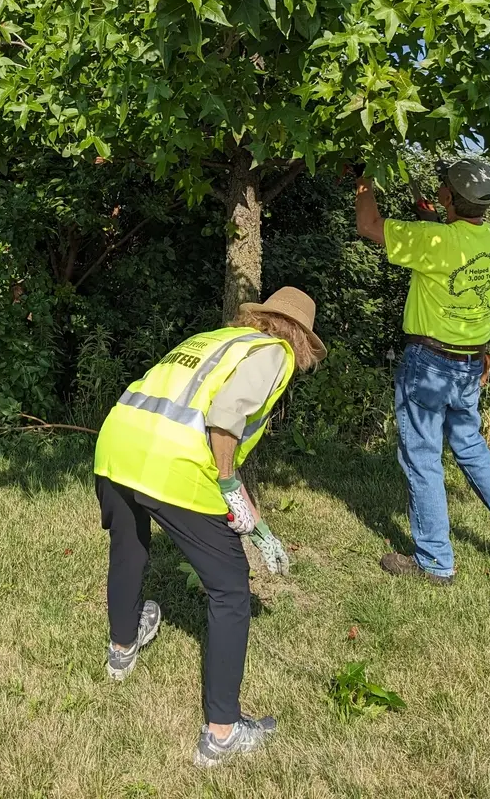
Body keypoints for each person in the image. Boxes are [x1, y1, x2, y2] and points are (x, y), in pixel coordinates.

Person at [93, 287, 325, 767]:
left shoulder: (218, 339)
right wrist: (228, 486)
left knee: (131, 545)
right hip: (173, 466)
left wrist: (249, 507)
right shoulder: (274, 354)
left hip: (116, 448)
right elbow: (224, 420)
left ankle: (122, 648)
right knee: (231, 589)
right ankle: (222, 732)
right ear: (300, 338)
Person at [354, 158, 490, 584]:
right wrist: (435, 215)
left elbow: (369, 224)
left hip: (428, 363)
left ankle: (435, 563)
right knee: (471, 447)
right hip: (471, 362)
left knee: (422, 457)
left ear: (446, 198)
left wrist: (364, 176)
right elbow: (462, 258)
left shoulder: (433, 240)